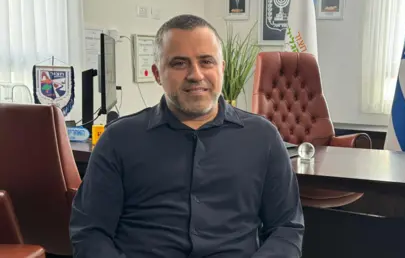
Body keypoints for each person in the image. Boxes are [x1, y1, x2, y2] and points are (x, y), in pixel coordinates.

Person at [69, 14, 304, 258]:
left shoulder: (262, 138)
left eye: (206, 62)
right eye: (179, 63)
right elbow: (90, 231)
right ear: (157, 73)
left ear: (222, 69)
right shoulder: (119, 139)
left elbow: (286, 228)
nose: (195, 74)